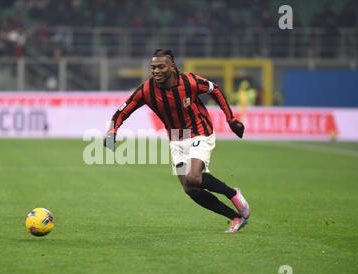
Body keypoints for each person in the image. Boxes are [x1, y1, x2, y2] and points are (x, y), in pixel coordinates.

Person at [104, 49, 250, 233]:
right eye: (153, 67)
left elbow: (216, 90)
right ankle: (236, 217)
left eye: (161, 67)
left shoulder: (190, 82)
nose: (156, 71)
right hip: (176, 139)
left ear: (172, 66)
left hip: (200, 132)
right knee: (189, 188)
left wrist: (231, 119)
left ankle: (232, 193)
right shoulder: (147, 90)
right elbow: (122, 111)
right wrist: (112, 131)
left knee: (193, 177)